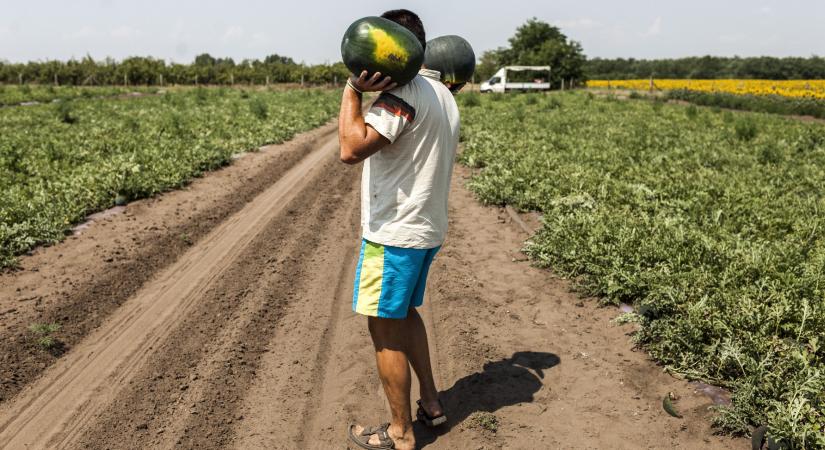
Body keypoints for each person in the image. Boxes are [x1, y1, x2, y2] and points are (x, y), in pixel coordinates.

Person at [338, 9, 462, 450]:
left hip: (394, 235)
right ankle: (431, 402)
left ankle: (400, 432)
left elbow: (350, 149)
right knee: (405, 314)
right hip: (425, 230)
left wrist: (353, 89)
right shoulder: (440, 91)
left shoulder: (401, 95)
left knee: (385, 327)